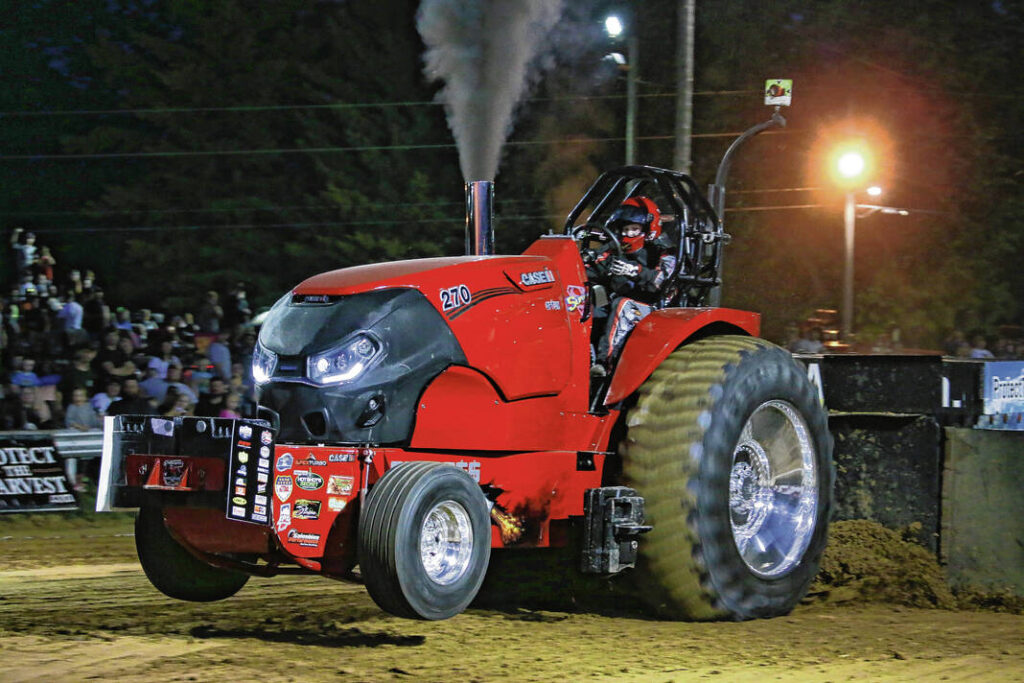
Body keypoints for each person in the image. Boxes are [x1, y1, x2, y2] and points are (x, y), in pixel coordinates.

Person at [586, 196, 677, 368]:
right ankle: (581, 361)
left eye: (634, 229)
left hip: (657, 309)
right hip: (617, 306)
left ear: (648, 228)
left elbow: (664, 281)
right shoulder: (615, 250)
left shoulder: (663, 250)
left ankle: (605, 363)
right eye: (626, 229)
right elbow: (592, 266)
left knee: (623, 305)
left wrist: (634, 271)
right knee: (586, 310)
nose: (629, 234)